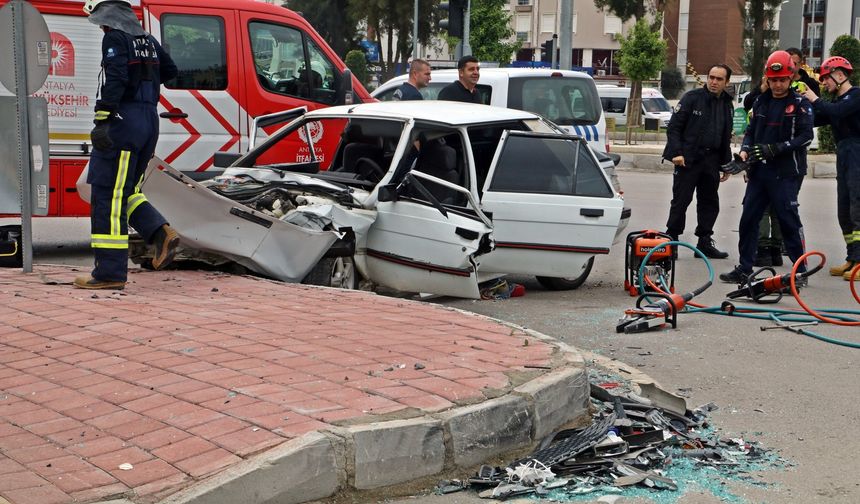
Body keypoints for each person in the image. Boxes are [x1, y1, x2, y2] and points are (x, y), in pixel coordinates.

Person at [74, 0, 179, 290]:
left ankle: (109, 273)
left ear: (107, 18)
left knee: (107, 195)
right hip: (149, 122)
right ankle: (160, 232)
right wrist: (146, 84)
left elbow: (117, 77)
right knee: (127, 190)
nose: (101, 28)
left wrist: (103, 117)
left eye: (101, 21)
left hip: (124, 122)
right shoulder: (146, 39)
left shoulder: (115, 37)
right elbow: (170, 70)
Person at [720, 50, 814, 284]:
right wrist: (744, 151)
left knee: (788, 220)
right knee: (748, 219)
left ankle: (800, 270)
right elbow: (751, 132)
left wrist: (777, 148)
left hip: (786, 172)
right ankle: (745, 267)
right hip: (759, 172)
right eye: (774, 80)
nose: (778, 84)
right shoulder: (761, 101)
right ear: (767, 79)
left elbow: (806, 137)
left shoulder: (800, 104)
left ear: (791, 78)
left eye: (782, 79)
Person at [662, 64, 735, 259]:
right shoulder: (692, 98)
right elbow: (674, 128)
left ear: (726, 82)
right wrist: (677, 153)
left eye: (719, 79)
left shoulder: (727, 103)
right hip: (688, 159)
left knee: (710, 202)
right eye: (711, 77)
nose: (713, 82)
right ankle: (672, 240)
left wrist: (726, 163)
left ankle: (704, 242)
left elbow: (725, 135)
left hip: (711, 160)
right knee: (681, 200)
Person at [802, 56, 860, 280]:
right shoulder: (836, 103)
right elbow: (819, 117)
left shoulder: (855, 96)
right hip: (844, 154)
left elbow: (835, 113)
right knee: (844, 210)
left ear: (839, 75)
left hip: (857, 152)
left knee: (857, 208)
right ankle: (852, 258)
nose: (824, 83)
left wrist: (814, 98)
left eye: (826, 78)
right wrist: (802, 103)